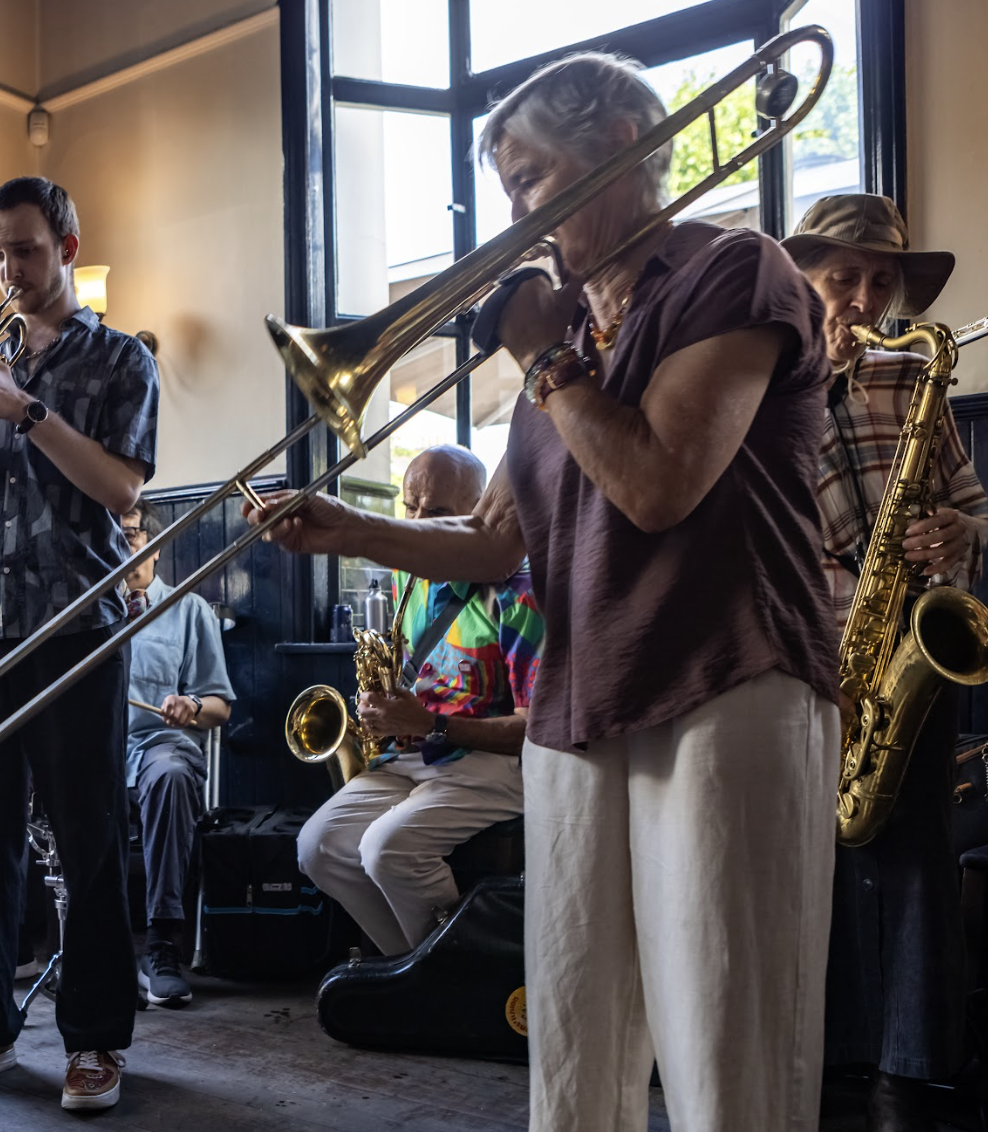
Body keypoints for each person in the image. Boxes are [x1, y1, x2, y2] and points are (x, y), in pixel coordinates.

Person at [249, 53, 839, 1132]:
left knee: (723, 1033)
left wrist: (538, 355)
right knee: (574, 1035)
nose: (516, 216)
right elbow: (494, 546)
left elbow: (657, 483)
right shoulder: (556, 359)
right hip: (578, 703)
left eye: (528, 181)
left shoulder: (732, 269)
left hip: (726, 675)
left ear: (617, 144)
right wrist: (353, 527)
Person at [0, 176, 158, 1111]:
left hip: (73, 625)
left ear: (69, 246)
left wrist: (25, 412)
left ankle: (95, 1041)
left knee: (87, 839)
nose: (10, 268)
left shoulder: (121, 360)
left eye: (27, 249)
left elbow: (123, 492)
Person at [786, 194, 988, 1132]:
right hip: (802, 650)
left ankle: (908, 1070)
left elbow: (970, 501)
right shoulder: (764, 379)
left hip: (912, 640)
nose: (863, 297)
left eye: (879, 281)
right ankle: (823, 1054)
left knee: (917, 856)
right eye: (842, 278)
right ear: (806, 280)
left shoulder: (916, 380)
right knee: (804, 859)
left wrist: (961, 532)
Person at [297, 447, 540, 957]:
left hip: (492, 765)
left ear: (480, 512)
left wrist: (432, 724)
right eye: (410, 508)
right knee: (318, 847)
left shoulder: (518, 592)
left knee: (387, 849)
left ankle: (457, 978)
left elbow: (533, 727)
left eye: (436, 513)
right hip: (410, 758)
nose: (417, 524)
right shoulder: (410, 579)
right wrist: (382, 706)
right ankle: (409, 971)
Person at [120, 498, 233, 1008]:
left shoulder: (190, 610)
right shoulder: (82, 610)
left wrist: (189, 703)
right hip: (94, 748)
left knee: (169, 776)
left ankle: (162, 942)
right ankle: (75, 944)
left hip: (156, 746)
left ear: (156, 545)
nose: (120, 547)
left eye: (130, 535)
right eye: (112, 537)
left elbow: (219, 707)